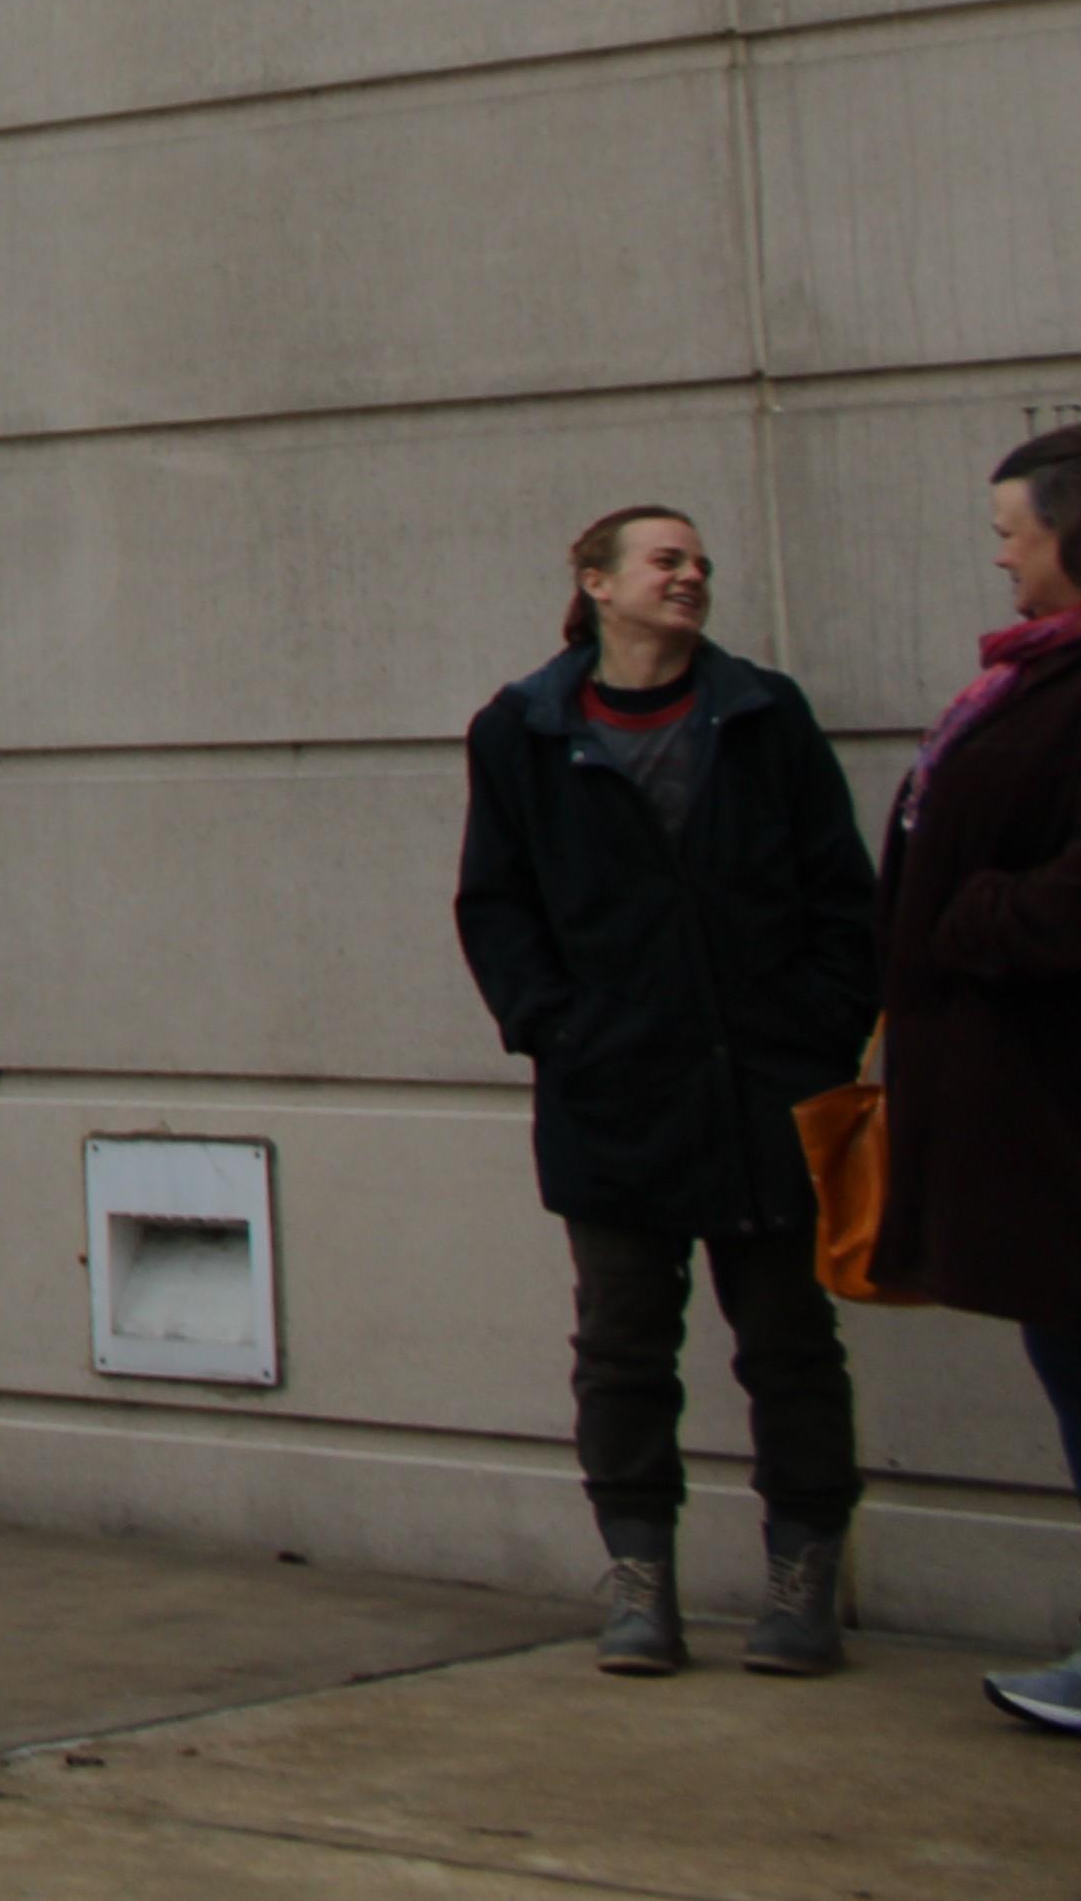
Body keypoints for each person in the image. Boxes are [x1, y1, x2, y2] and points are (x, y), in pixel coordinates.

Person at [449, 506, 874, 1677]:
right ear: (595, 583)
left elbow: (841, 892)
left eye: (699, 564)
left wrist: (818, 1033)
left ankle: (802, 1588)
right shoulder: (523, 729)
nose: (689, 578)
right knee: (624, 1348)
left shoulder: (759, 714)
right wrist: (557, 1028)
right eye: (663, 561)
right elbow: (496, 903)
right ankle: (641, 1587)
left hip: (767, 1096)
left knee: (790, 1344)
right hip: (614, 1096)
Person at [874, 421, 1081, 1750]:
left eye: (1010, 533)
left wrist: (968, 920)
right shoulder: (1046, 671)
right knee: (1078, 1355)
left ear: (1076, 536)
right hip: (1046, 1122)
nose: (1000, 556)